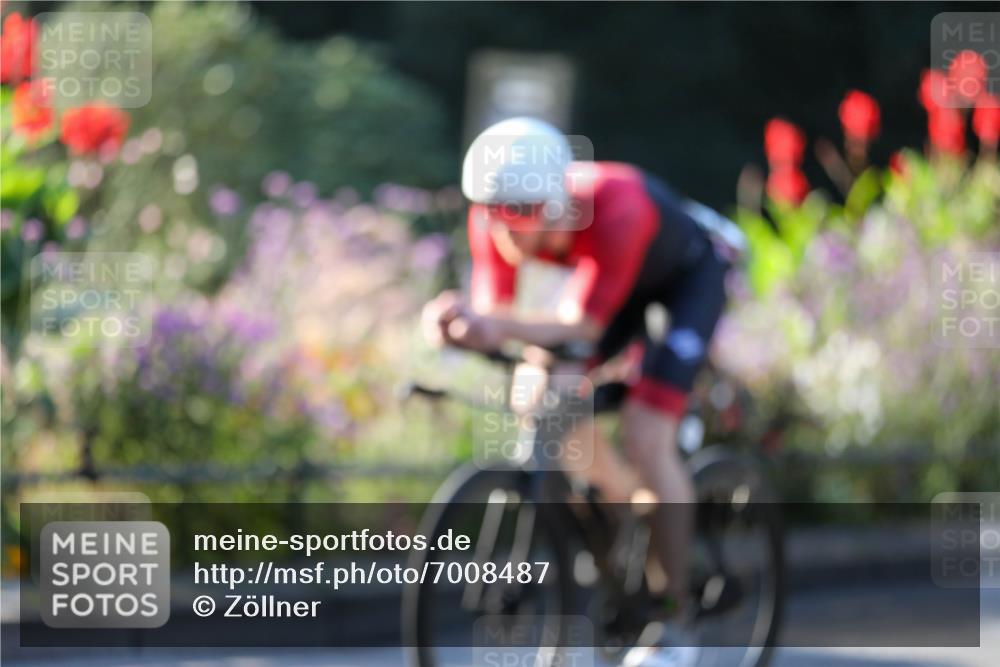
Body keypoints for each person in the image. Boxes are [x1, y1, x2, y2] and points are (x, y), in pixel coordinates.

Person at [423, 116, 741, 667]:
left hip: (682, 285)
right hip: (613, 294)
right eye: (493, 210)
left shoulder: (613, 208)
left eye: (522, 213)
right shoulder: (497, 216)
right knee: (539, 400)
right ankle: (621, 503)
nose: (505, 229)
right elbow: (496, 314)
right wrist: (457, 323)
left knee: (647, 437)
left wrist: (497, 326)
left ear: (557, 201)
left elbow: (583, 328)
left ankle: (676, 621)